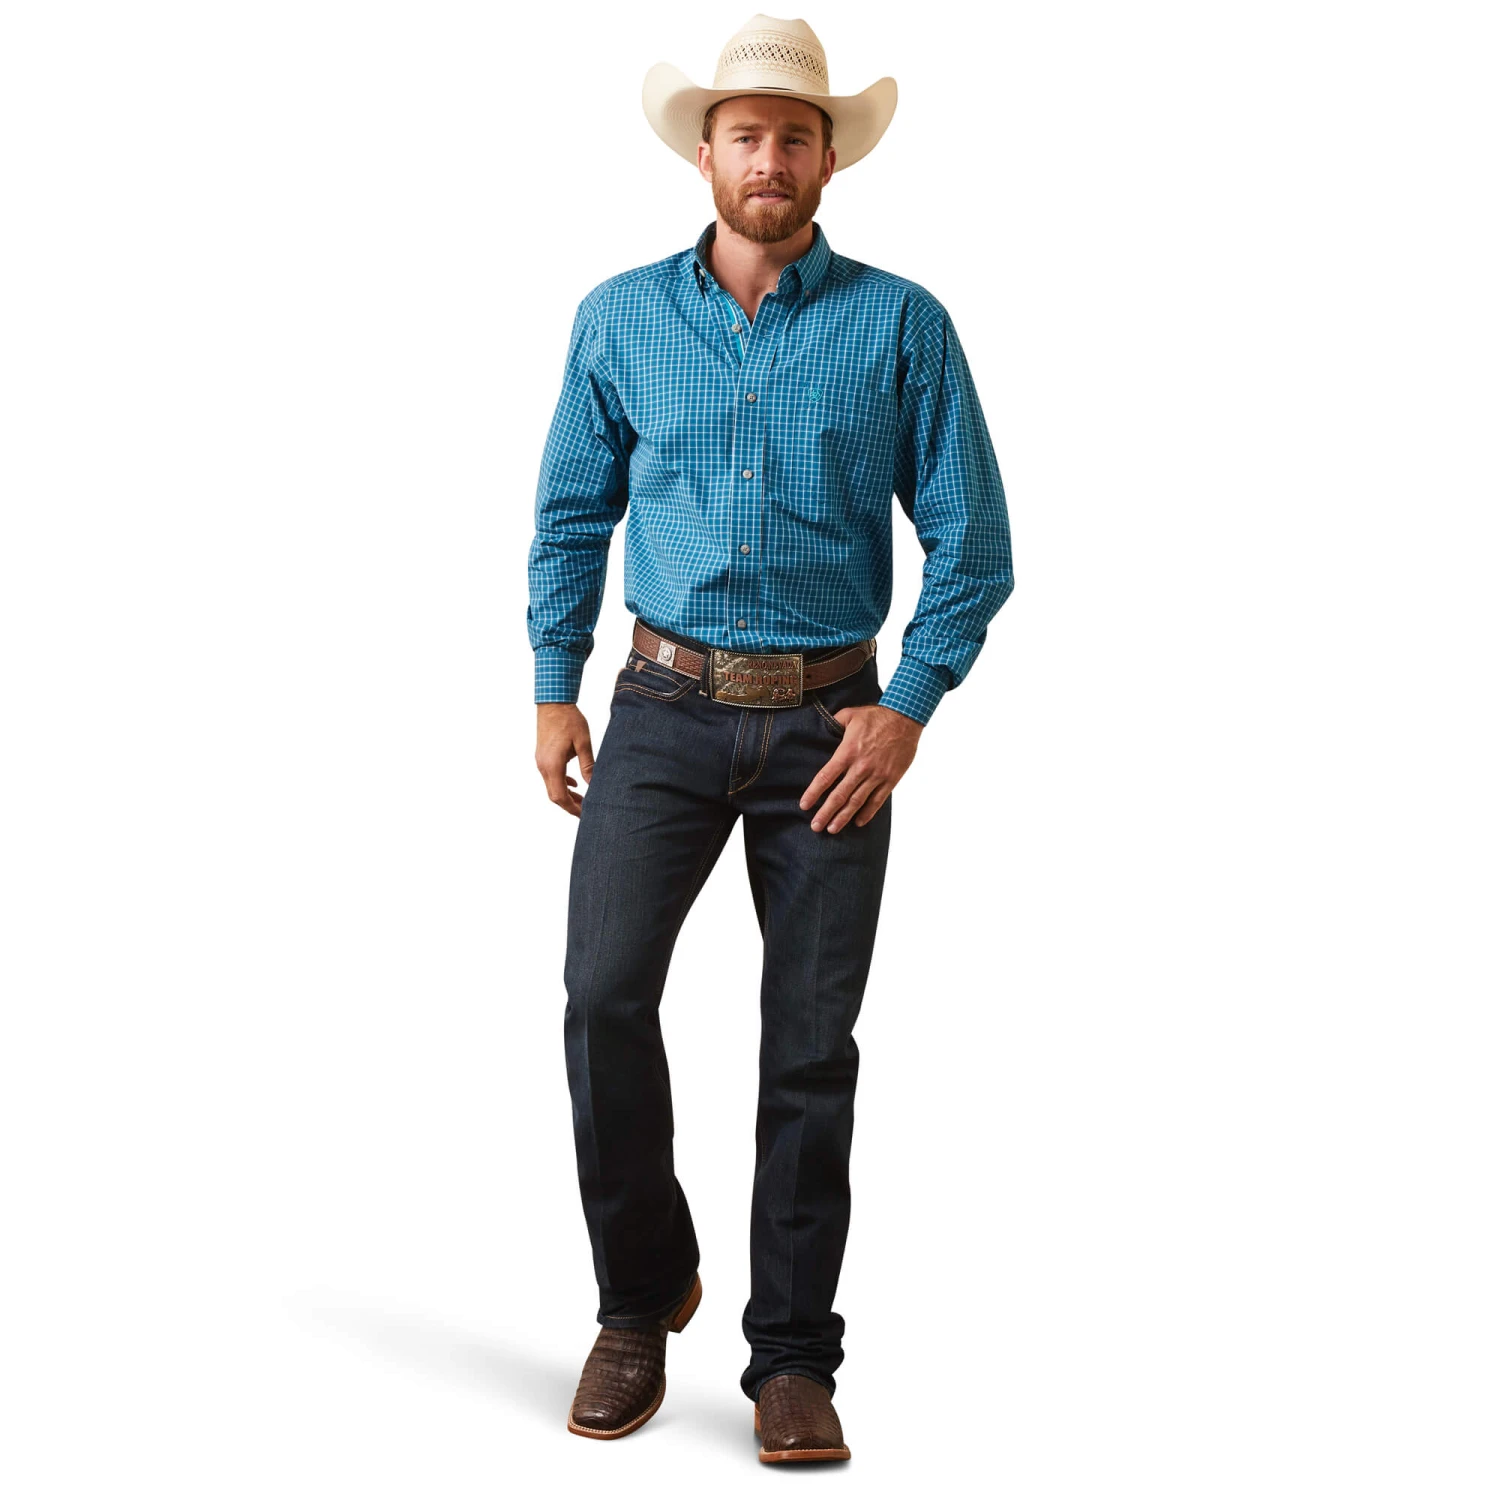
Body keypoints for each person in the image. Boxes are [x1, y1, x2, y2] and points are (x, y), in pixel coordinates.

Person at [527, 13, 1014, 1465]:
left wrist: (908, 708)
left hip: (830, 730)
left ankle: (792, 1358)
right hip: (661, 712)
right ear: (705, 152)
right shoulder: (619, 317)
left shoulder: (903, 325)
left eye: (795, 137)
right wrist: (554, 681)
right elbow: (571, 512)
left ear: (827, 161)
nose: (770, 158)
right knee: (602, 996)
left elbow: (976, 544)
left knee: (809, 1049)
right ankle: (638, 1297)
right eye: (746, 134)